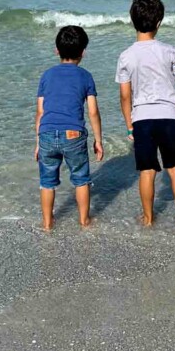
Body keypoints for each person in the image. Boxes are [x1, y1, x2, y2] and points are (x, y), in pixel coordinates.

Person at [116, 0, 175, 227]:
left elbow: (125, 95)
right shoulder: (169, 51)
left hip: (142, 118)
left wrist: (130, 123)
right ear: (159, 22)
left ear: (132, 21)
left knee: (147, 171)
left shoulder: (126, 55)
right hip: (170, 115)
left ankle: (148, 218)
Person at [34, 25, 104, 231]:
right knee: (81, 179)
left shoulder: (46, 76)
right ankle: (84, 220)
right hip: (74, 134)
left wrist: (38, 142)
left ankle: (47, 223)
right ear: (83, 52)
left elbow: (40, 112)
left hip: (46, 133)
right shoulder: (85, 76)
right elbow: (93, 111)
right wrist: (98, 140)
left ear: (57, 50)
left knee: (47, 181)